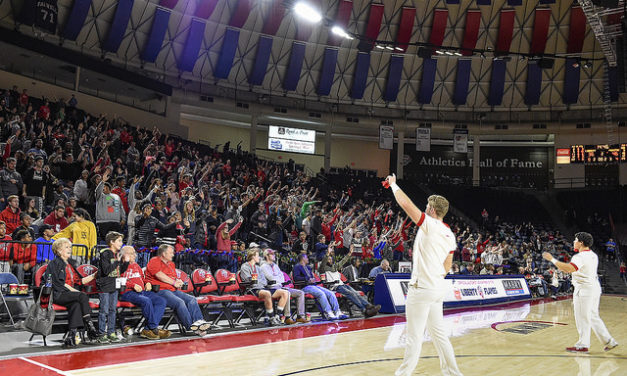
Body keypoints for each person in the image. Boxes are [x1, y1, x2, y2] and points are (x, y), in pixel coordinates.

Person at [385, 173, 463, 376]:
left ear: (432, 210)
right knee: (439, 336)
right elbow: (447, 266)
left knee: (414, 337)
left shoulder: (430, 225)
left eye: (427, 206)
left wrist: (394, 185)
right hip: (437, 288)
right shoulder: (449, 233)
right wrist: (434, 277)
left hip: (422, 289)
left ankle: (403, 374)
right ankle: (453, 373)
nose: (425, 208)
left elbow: (406, 205)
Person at [542, 232, 618, 353]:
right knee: (593, 316)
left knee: (582, 317)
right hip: (594, 288)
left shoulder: (580, 257)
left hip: (584, 290)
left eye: (575, 240)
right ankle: (609, 341)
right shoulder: (593, 255)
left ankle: (583, 344)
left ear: (581, 243)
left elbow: (568, 269)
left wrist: (552, 259)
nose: (574, 242)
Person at [144, 244, 209, 336]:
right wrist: (174, 283)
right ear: (163, 253)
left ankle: (199, 323)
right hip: (160, 291)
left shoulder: (171, 264)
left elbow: (172, 277)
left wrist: (177, 281)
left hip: (172, 290)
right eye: (170, 253)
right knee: (179, 302)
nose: (173, 255)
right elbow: (159, 275)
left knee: (192, 299)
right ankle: (191, 327)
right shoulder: (154, 261)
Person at [46, 238, 99, 348]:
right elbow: (56, 283)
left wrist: (94, 275)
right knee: (82, 296)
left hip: (68, 295)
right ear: (59, 250)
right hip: (58, 294)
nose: (69, 249)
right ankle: (89, 325)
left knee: (76, 305)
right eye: (66, 247)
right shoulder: (54, 264)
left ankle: (71, 335)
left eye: (70, 247)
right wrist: (73, 290)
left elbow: (80, 281)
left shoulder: (70, 265)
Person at [118, 245, 171, 340]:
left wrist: (148, 283)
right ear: (125, 255)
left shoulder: (136, 265)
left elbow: (143, 278)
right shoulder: (121, 266)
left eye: (135, 253)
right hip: (128, 293)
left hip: (142, 292)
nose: (135, 255)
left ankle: (147, 329)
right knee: (146, 301)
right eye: (132, 253)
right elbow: (119, 280)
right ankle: (153, 328)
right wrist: (133, 285)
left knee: (161, 300)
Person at [240, 248, 289, 326]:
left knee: (285, 293)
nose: (259, 258)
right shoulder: (244, 266)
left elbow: (264, 281)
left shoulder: (258, 268)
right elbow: (249, 280)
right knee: (267, 293)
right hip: (252, 289)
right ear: (253, 256)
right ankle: (271, 318)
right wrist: (257, 282)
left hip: (262, 288)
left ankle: (277, 317)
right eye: (257, 256)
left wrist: (258, 281)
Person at [260, 248, 309, 324]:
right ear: (266, 256)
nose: (274, 255)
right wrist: (277, 278)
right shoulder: (263, 266)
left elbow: (282, 277)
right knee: (286, 293)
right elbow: (270, 277)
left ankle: (300, 316)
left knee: (300, 293)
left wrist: (278, 279)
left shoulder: (275, 266)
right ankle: (287, 317)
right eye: (272, 254)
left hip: (281, 286)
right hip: (272, 288)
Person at [96, 232, 128, 343]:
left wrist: (126, 263)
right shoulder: (105, 253)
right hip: (105, 285)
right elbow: (106, 270)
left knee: (112, 310)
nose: (121, 243)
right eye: (119, 241)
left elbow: (119, 271)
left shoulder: (117, 254)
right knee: (104, 310)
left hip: (114, 285)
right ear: (112, 242)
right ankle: (101, 333)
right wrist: (118, 261)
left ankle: (111, 332)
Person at [293, 253, 343, 320]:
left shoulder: (308, 267)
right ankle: (328, 312)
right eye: (306, 258)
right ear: (303, 259)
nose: (308, 259)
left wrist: (313, 280)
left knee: (330, 293)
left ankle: (337, 312)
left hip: (313, 285)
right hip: (304, 287)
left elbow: (311, 277)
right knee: (321, 293)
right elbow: (296, 278)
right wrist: (307, 279)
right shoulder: (297, 267)